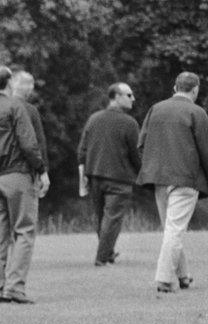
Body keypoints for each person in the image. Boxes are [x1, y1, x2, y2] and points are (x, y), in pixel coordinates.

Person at [0, 65, 48, 304]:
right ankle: (14, 287)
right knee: (24, 231)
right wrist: (41, 169)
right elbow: (28, 142)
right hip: (15, 174)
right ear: (10, 83)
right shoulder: (16, 107)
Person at [137, 71, 208, 293]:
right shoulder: (197, 112)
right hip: (186, 178)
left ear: (175, 87)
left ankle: (184, 276)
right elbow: (205, 150)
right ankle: (163, 279)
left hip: (159, 179)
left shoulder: (155, 109)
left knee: (172, 229)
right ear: (195, 90)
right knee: (175, 229)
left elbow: (141, 144)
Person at [77, 82, 141, 266]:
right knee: (112, 219)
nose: (133, 99)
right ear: (116, 97)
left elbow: (82, 150)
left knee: (101, 218)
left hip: (94, 175)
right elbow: (135, 155)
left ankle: (108, 252)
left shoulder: (94, 118)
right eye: (129, 95)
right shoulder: (129, 123)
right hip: (119, 178)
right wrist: (142, 175)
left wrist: (84, 173)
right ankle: (102, 257)